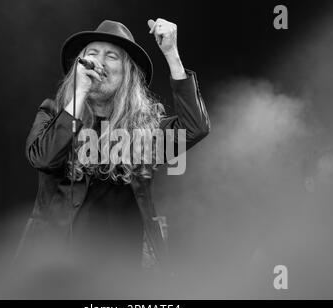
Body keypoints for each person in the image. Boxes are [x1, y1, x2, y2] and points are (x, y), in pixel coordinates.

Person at [16, 19, 210, 273]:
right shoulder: (52, 113)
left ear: (126, 73)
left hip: (121, 270)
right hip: (58, 266)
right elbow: (44, 158)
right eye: (92, 54)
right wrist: (80, 93)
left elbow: (195, 127)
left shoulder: (144, 127)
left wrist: (171, 53)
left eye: (111, 56)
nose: (100, 62)